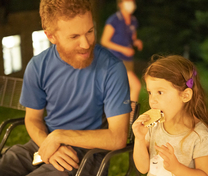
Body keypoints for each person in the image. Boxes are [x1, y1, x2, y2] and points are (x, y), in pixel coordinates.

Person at [0, 0, 131, 176]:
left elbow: (118, 138)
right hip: (42, 144)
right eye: (74, 36)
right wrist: (49, 143)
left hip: (86, 155)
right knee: (9, 161)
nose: (86, 44)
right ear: (51, 36)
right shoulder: (38, 66)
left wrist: (60, 136)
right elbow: (32, 119)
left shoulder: (112, 68)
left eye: (90, 31)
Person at [132, 55, 208, 176]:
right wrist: (139, 139)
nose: (152, 100)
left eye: (160, 92)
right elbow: (143, 168)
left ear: (185, 96)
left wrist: (177, 168)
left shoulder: (200, 137)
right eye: (150, 92)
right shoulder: (154, 127)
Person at [101, 0, 143, 102]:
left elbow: (132, 38)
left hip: (128, 60)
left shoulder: (133, 20)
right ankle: (132, 116)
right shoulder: (114, 20)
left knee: (120, 90)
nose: (131, 3)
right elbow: (104, 41)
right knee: (136, 86)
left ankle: (115, 114)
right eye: (127, 1)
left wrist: (136, 42)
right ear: (120, 4)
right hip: (116, 59)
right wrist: (123, 49)